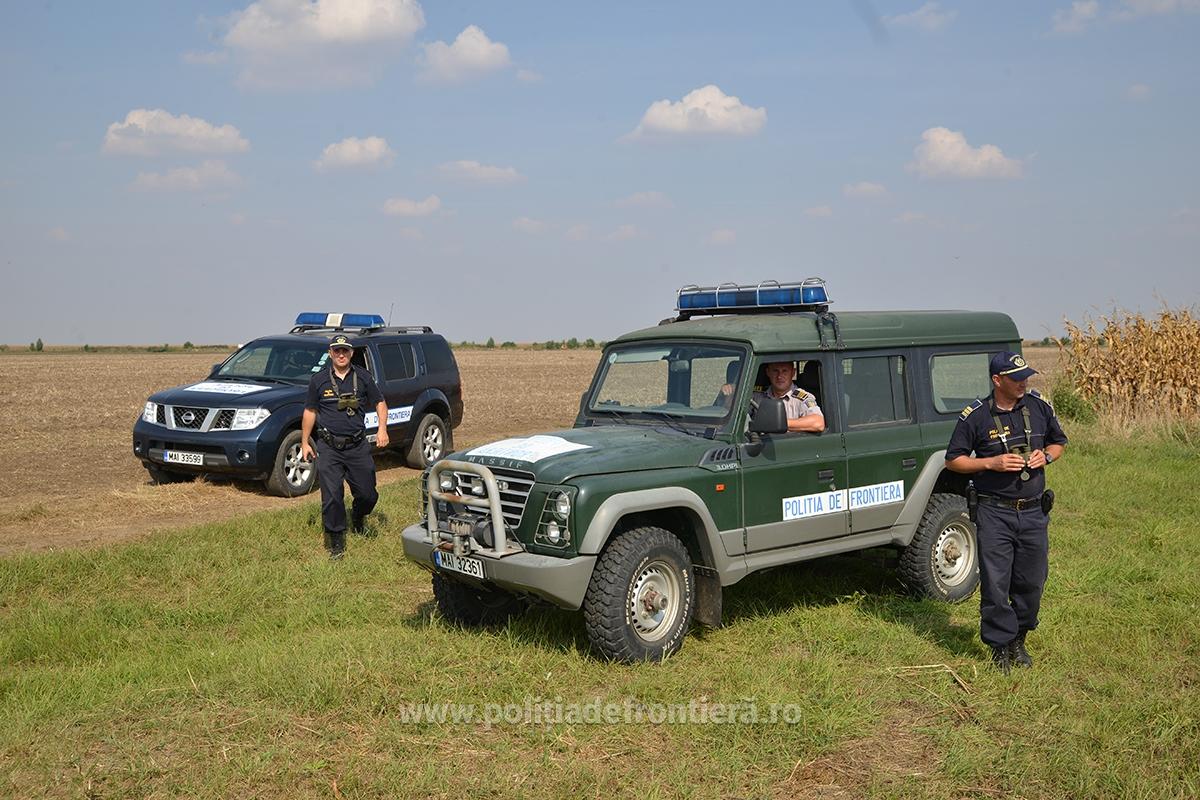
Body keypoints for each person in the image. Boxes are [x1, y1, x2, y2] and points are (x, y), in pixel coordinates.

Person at [945, 351, 1067, 674]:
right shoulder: (976, 416)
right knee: (996, 584)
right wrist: (991, 463)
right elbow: (953, 460)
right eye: (1016, 379)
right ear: (997, 381)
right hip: (994, 512)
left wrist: (1046, 457)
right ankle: (1000, 646)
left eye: (1026, 376)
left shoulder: (1038, 407)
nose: (1023, 383)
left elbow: (1059, 443)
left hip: (1033, 512)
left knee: (1032, 581)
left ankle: (1019, 639)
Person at [300, 334, 389, 559]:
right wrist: (304, 442)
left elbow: (380, 403)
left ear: (351, 353)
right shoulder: (318, 380)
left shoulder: (363, 377)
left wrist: (382, 429)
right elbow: (310, 411)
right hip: (329, 446)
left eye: (345, 350)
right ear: (330, 353)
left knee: (368, 495)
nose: (341, 354)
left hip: (357, 446)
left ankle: (357, 515)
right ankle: (336, 542)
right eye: (337, 350)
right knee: (332, 496)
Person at [751, 361, 825, 432]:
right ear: (768, 372)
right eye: (775, 371)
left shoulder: (802, 398)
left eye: (785, 371)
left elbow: (818, 423)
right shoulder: (756, 396)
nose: (779, 376)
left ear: (793, 372)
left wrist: (779, 423)